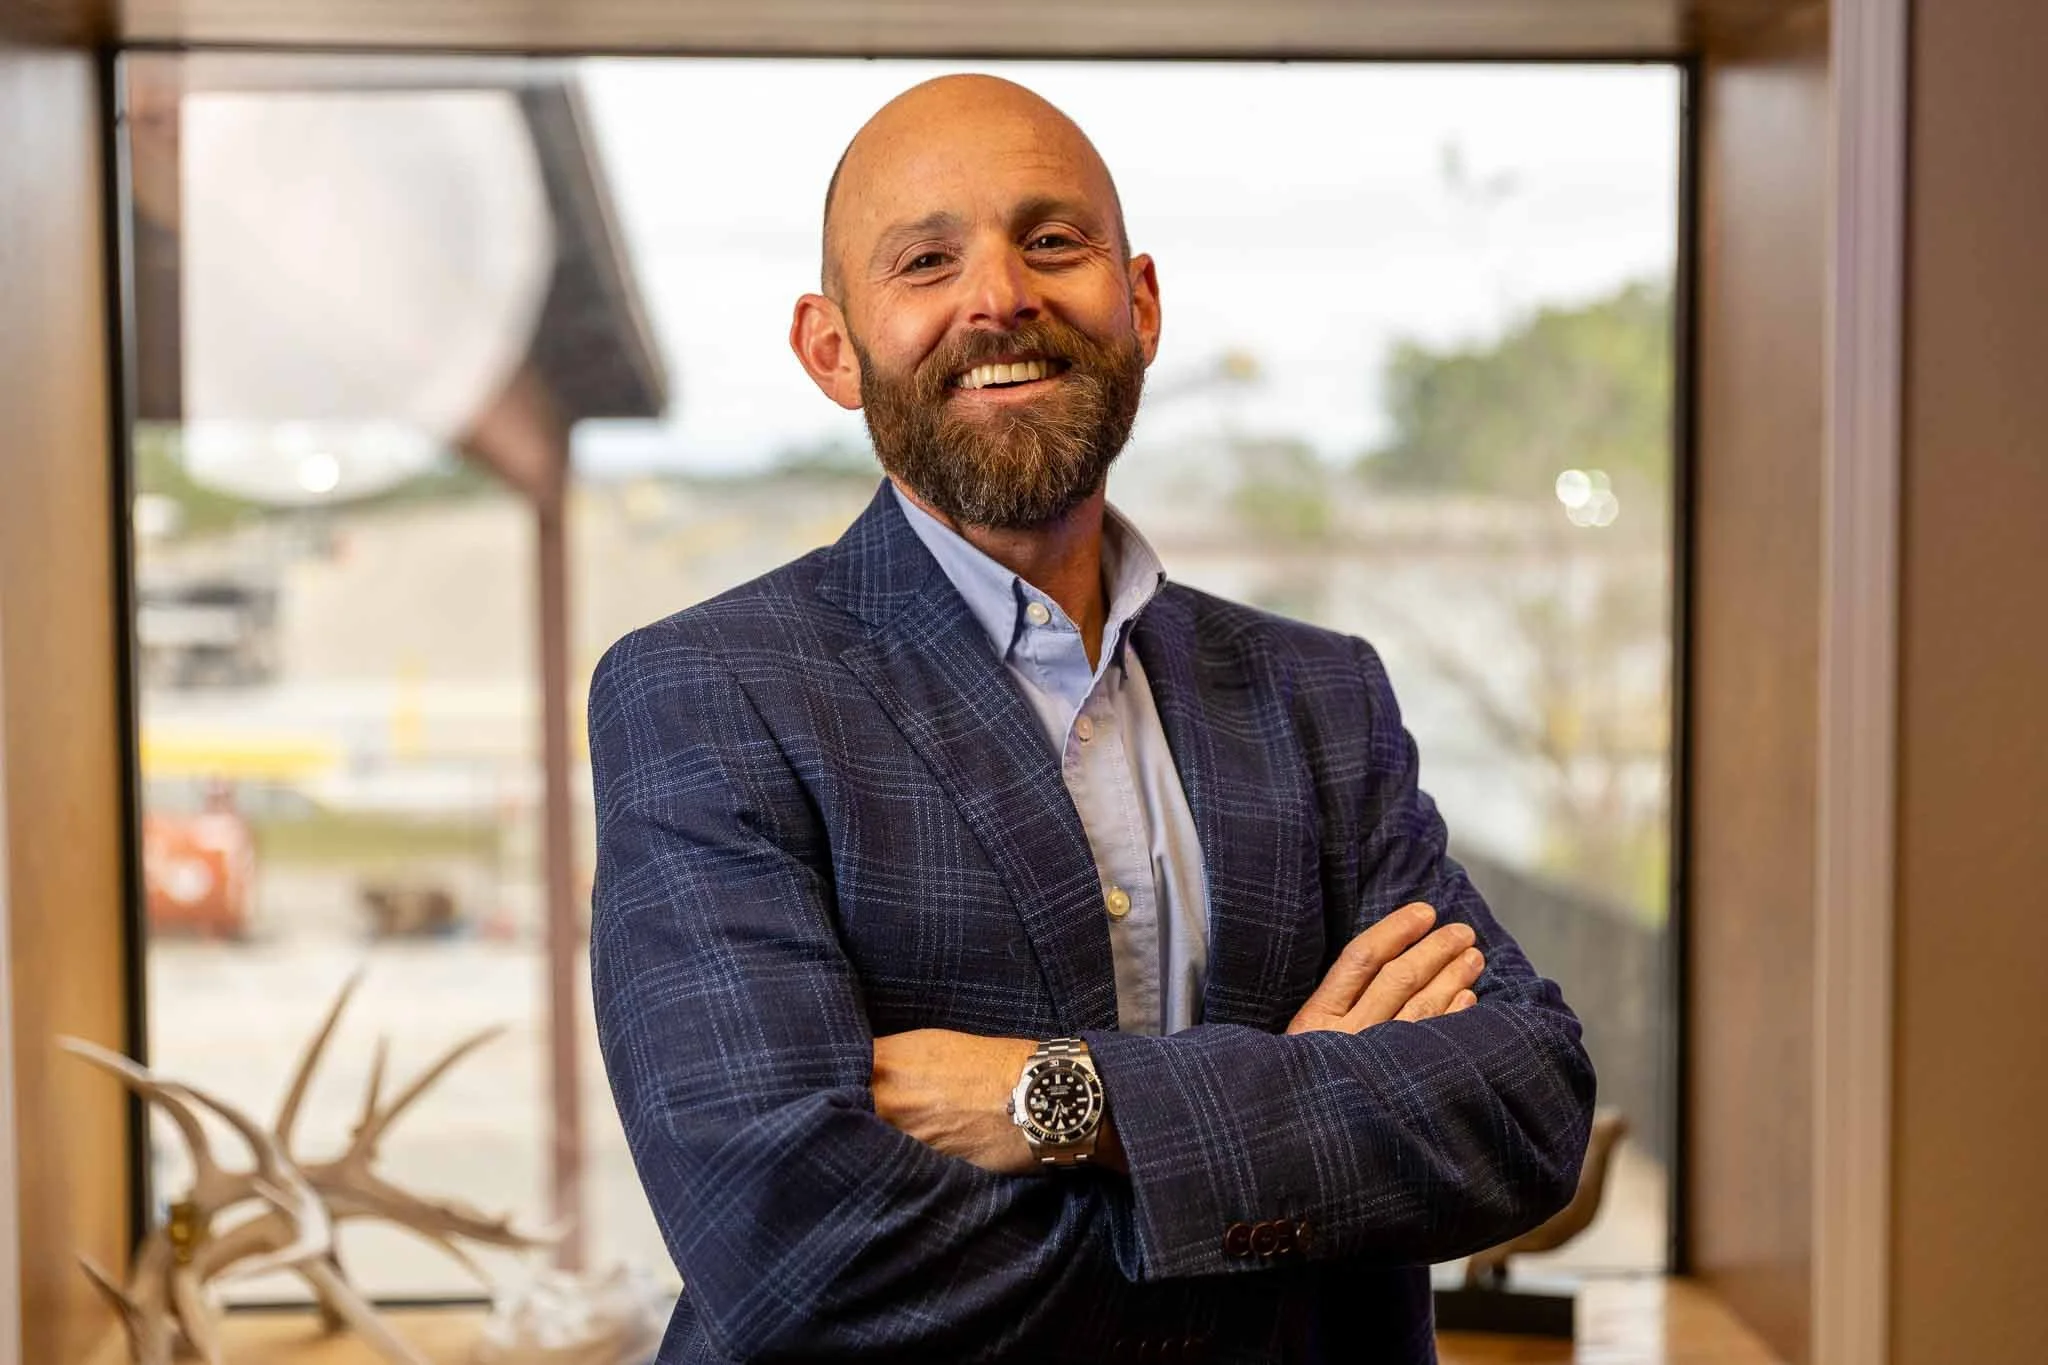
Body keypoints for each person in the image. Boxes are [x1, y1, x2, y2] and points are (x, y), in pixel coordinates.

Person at [588, 74, 1595, 1365]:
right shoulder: (707, 694)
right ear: (831, 350)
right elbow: (797, 1254)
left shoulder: (1320, 693)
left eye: (1053, 241)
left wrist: (1061, 1103)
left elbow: (1523, 1113)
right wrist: (1285, 1156)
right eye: (926, 259)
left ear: (1144, 304)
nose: (1000, 295)